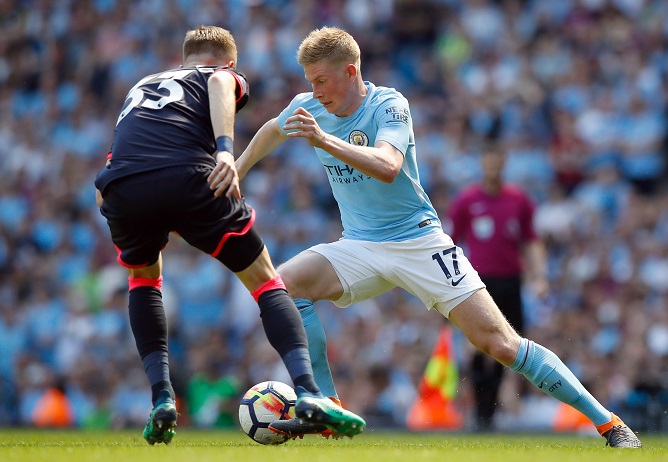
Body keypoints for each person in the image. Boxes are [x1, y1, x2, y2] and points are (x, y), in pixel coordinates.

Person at [235, 26, 641, 448]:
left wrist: (324, 140)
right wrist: (237, 170)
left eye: (320, 80)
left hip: (418, 241)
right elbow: (271, 129)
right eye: (309, 82)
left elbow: (388, 165)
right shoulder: (309, 105)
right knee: (282, 287)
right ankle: (322, 402)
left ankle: (609, 423)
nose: (314, 91)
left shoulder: (389, 105)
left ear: (350, 71)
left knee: (500, 344)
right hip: (359, 243)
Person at [94, 25, 365, 445]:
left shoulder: (141, 86)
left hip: (120, 184)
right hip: (189, 173)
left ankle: (162, 398)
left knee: (143, 280)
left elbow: (107, 178)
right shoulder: (219, 73)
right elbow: (219, 82)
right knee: (266, 281)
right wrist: (224, 149)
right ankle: (310, 393)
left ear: (183, 57)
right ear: (230, 61)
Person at [449, 140, 549, 431]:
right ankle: (482, 413)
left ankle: (489, 413)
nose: (493, 164)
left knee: (510, 348)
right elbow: (450, 244)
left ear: (504, 161)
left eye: (497, 159)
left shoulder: (519, 200)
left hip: (510, 283)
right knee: (479, 347)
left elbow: (532, 241)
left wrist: (540, 276)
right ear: (482, 162)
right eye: (488, 159)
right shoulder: (467, 201)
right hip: (479, 284)